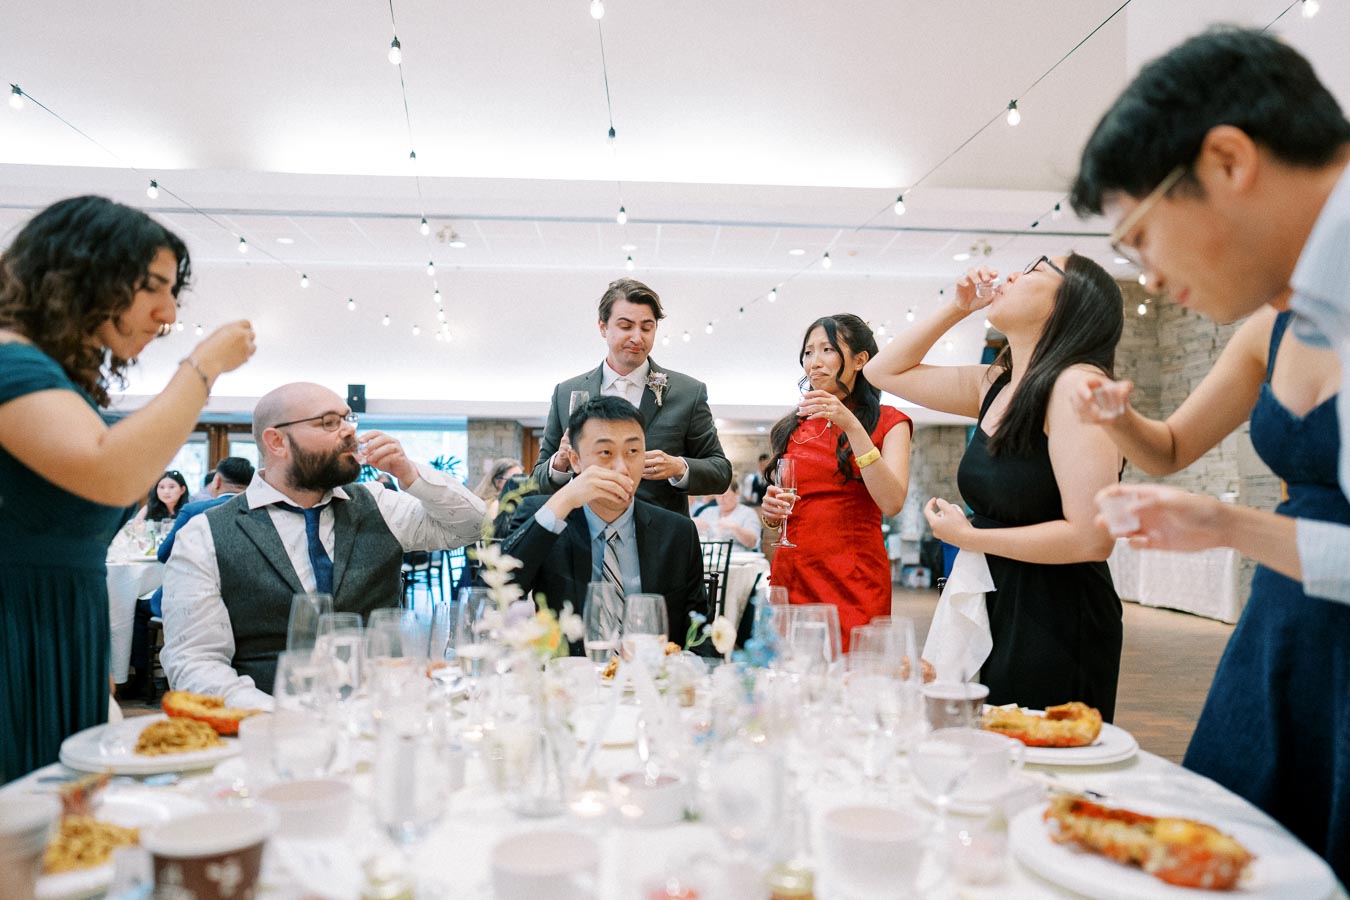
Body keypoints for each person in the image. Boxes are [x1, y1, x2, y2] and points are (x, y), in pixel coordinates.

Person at [1070, 26, 1350, 878]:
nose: (1149, 277)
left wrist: (1225, 524)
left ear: (1228, 160)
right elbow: (1167, 446)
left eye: (1140, 236)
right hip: (1295, 608)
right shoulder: (1307, 308)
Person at [0, 195, 255, 781]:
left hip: (57, 626)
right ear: (80, 275)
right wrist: (202, 366)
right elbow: (112, 472)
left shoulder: (49, 376)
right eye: (152, 287)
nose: (167, 313)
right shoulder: (11, 364)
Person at [865, 256, 1124, 719]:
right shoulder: (995, 384)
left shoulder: (1078, 387)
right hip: (996, 591)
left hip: (1056, 611)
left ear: (1069, 303)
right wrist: (957, 308)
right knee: (985, 738)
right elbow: (883, 372)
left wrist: (971, 538)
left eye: (1036, 270)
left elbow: (1093, 538)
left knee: (1036, 747)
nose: (1012, 276)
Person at [159, 382, 486, 709]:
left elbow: (473, 525)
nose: (350, 431)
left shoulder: (379, 504)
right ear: (277, 441)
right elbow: (195, 662)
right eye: (329, 422)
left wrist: (410, 473)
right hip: (267, 723)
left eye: (348, 418)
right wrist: (280, 715)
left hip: (380, 716)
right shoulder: (204, 535)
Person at [503, 396, 710, 653]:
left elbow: (700, 634)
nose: (622, 468)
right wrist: (565, 499)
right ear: (575, 460)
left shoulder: (677, 532)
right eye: (606, 453)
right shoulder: (548, 516)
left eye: (633, 452)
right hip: (569, 675)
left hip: (650, 674)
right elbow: (494, 593)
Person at [760, 314, 912, 651]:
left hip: (852, 580)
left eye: (827, 349)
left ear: (860, 360)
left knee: (853, 672)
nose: (814, 362)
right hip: (794, 574)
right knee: (793, 672)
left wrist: (852, 425)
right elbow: (785, 515)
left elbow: (892, 502)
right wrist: (771, 514)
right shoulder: (792, 427)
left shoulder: (891, 422)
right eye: (808, 352)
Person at [530, 278, 732, 517]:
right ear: (603, 327)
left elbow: (721, 473)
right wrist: (560, 463)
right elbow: (536, 482)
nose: (637, 337)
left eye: (646, 328)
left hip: (660, 532)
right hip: (582, 533)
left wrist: (678, 466)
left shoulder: (687, 392)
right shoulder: (565, 393)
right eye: (626, 326)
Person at [124, 457, 256, 699]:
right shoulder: (260, 511)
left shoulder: (194, 510)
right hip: (247, 598)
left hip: (195, 600)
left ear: (217, 481)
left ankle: (142, 679)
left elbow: (164, 554)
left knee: (139, 608)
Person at [695, 485, 763, 551]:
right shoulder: (708, 512)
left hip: (738, 556)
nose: (721, 499)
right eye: (718, 496)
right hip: (711, 555)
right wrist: (694, 525)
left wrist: (735, 528)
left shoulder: (748, 513)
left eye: (725, 496)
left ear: (736, 492)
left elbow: (753, 542)